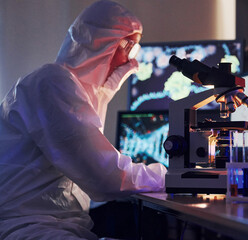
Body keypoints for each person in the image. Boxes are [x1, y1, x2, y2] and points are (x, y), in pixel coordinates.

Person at [0, 1, 167, 239]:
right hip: (30, 228)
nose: (130, 60)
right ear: (101, 43)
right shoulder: (52, 83)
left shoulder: (64, 87)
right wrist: (171, 177)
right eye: (129, 47)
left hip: (50, 225)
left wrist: (106, 89)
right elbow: (104, 176)